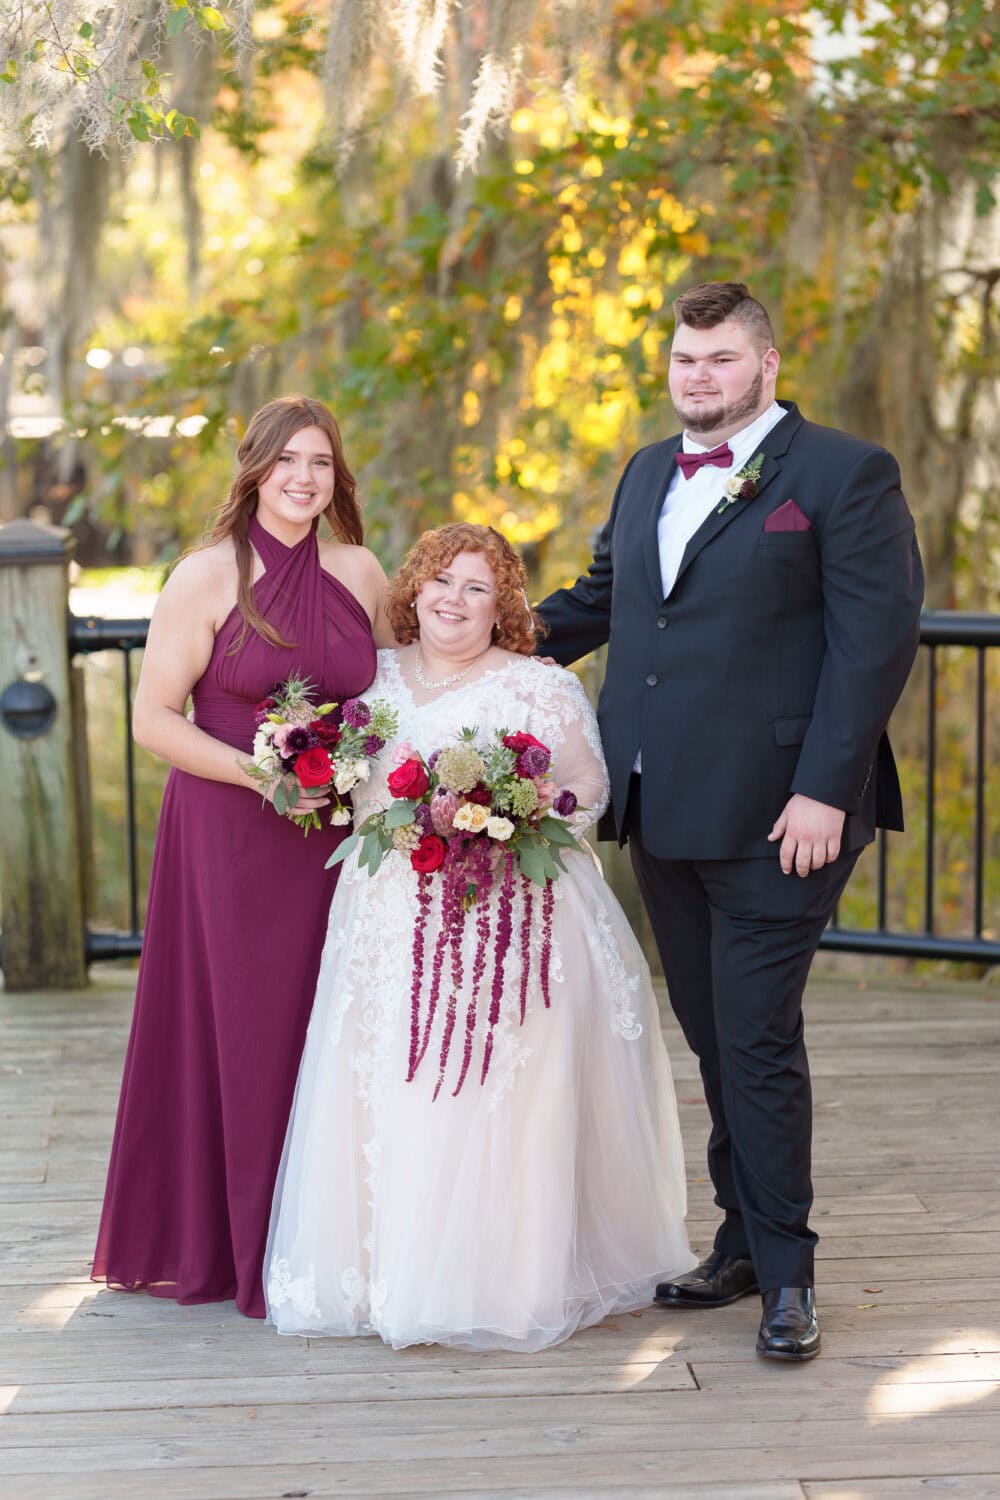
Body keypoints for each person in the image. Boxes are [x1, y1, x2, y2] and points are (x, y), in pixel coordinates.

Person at [536, 282, 924, 1361]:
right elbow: (599, 604)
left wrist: (822, 788)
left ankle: (789, 1278)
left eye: (717, 359)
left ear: (765, 364)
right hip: (660, 805)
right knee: (712, 1031)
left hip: (779, 814)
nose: (696, 377)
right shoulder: (647, 471)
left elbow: (873, 644)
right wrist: (457, 640)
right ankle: (741, 1238)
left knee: (752, 1036)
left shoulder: (844, 474)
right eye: (682, 360)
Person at [265, 522, 695, 1350]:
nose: (453, 601)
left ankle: (501, 1278)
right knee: (388, 1081)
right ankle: (392, 1270)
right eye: (440, 582)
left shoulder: (539, 687)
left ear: (501, 609)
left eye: (476, 589)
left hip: (508, 917)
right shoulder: (371, 680)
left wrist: (508, 816)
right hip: (388, 917)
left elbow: (589, 786)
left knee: (495, 1096)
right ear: (413, 592)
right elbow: (341, 775)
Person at [93, 395, 392, 1318]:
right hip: (230, 832)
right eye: (286, 461)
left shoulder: (363, 569)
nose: (304, 479)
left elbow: (392, 699)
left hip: (336, 835)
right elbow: (151, 720)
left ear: (338, 475)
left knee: (331, 1019)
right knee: (247, 1023)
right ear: (254, 469)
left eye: (321, 462)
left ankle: (331, 1237)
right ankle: (237, 1244)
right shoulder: (205, 575)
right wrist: (260, 776)